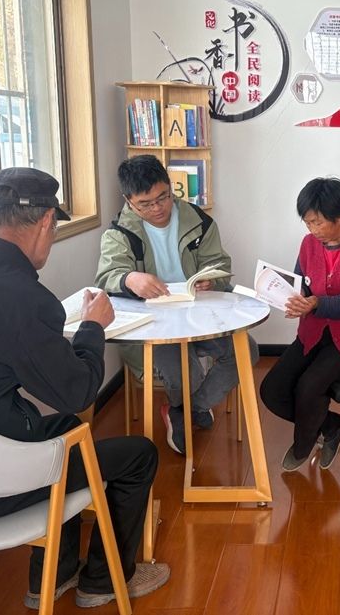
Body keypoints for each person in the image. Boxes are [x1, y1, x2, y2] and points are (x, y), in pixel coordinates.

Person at [0, 167, 170, 610]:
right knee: (138, 454)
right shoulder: (22, 296)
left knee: (67, 428)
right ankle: (103, 580)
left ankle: (54, 576)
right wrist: (92, 327)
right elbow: (79, 391)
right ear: (48, 222)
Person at [95, 155, 258, 456]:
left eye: (163, 197)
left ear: (171, 187)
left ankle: (183, 410)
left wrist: (211, 279)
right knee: (186, 373)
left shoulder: (198, 221)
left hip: (201, 314)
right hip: (155, 325)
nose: (157, 208)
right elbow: (107, 276)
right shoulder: (119, 233)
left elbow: (220, 264)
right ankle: (191, 408)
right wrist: (130, 279)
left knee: (246, 351)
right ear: (129, 201)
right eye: (145, 204)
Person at [259, 177, 340, 471]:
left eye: (318, 222)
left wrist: (316, 303)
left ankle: (303, 445)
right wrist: (293, 299)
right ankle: (333, 425)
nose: (312, 230)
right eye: (307, 223)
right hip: (314, 331)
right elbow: (301, 283)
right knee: (272, 390)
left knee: (309, 387)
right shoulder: (308, 244)